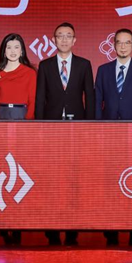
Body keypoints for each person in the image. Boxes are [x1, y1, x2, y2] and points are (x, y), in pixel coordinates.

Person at [35, 22, 95, 246]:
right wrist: (39, 129)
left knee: (74, 179)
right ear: (53, 40)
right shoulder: (45, 65)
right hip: (50, 130)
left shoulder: (84, 64)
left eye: (68, 36)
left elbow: (90, 97)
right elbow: (40, 98)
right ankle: (51, 229)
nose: (64, 39)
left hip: (77, 130)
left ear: (74, 40)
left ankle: (72, 229)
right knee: (50, 180)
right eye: (60, 36)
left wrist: (89, 128)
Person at [95, 29, 132, 246]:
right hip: (109, 134)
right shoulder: (103, 70)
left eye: (127, 42)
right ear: (113, 45)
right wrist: (98, 129)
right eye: (119, 42)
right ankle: (110, 229)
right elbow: (97, 101)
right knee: (111, 180)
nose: (122, 46)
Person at [0, 33, 37, 246]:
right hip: (1, 119)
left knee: (20, 171)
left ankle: (18, 222)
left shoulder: (30, 73)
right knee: (2, 170)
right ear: (3, 50)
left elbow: (33, 101)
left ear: (22, 50)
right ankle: (2, 220)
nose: (13, 51)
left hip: (22, 119)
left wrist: (26, 126)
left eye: (16, 47)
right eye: (9, 47)